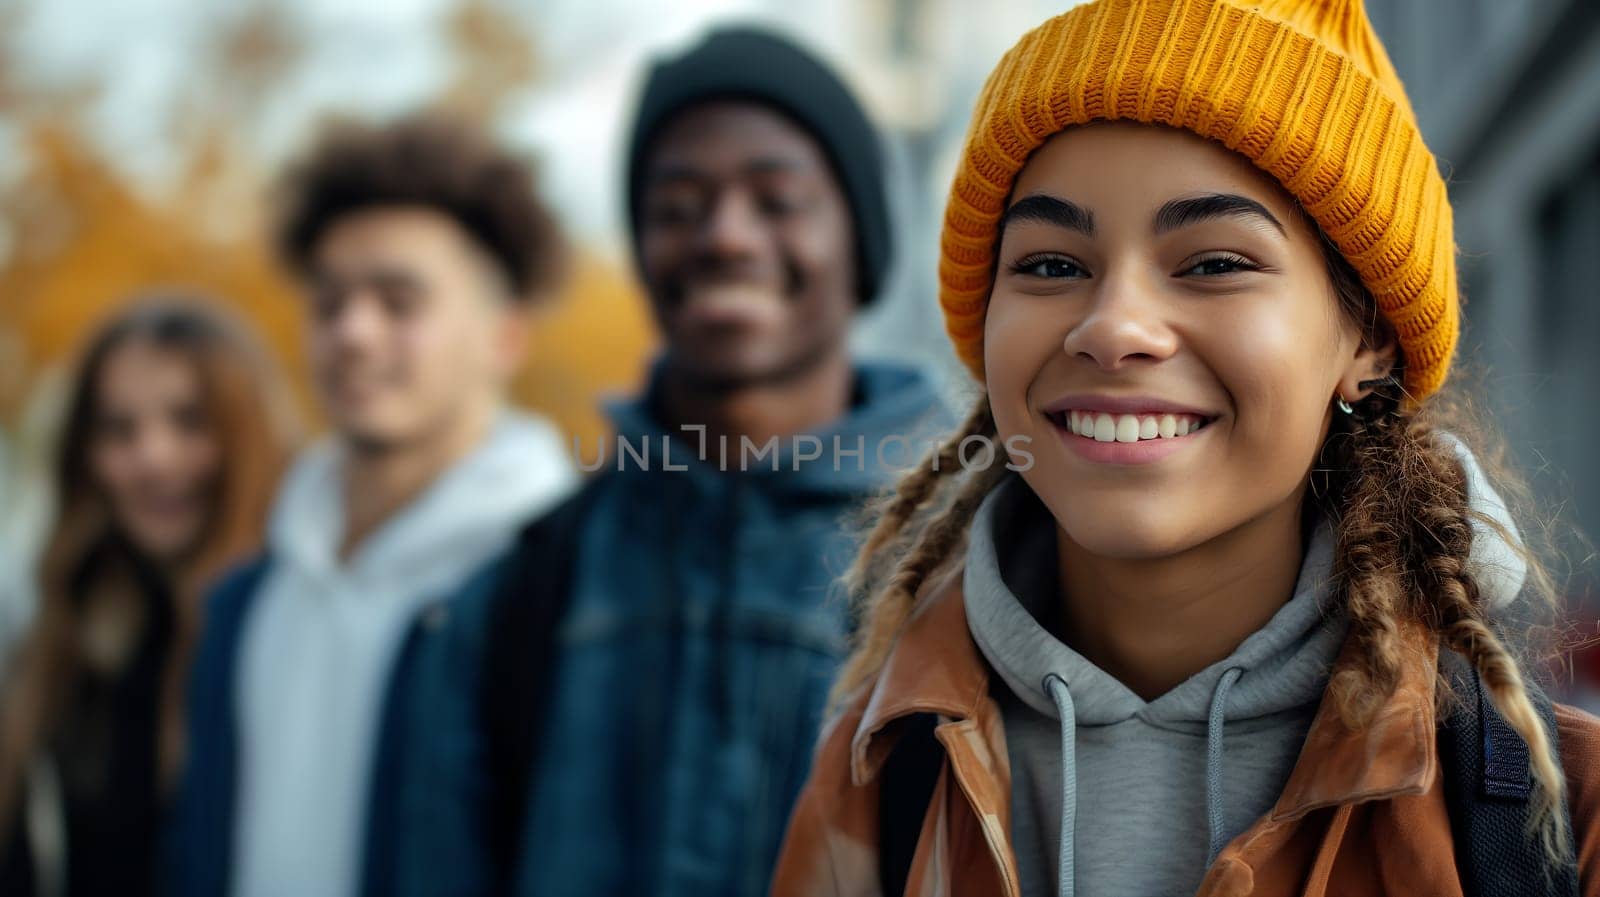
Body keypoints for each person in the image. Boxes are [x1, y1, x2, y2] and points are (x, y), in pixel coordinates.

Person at [772, 1, 1600, 895]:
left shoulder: (1551, 821)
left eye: (1213, 262)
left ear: (1368, 339)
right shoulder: (881, 776)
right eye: (1051, 265)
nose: (1113, 327)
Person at [387, 26, 951, 897]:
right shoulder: (516, 599)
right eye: (679, 204)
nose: (725, 236)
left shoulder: (977, 566)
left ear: (861, 244)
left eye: (778, 199)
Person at [165, 115, 577, 897]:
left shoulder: (567, 587)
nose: (353, 332)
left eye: (398, 301)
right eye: (329, 302)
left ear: (505, 335)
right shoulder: (249, 595)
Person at [0, 298, 296, 897]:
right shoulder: (61, 628)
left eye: (190, 422)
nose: (153, 458)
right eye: (118, 429)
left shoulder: (292, 633)